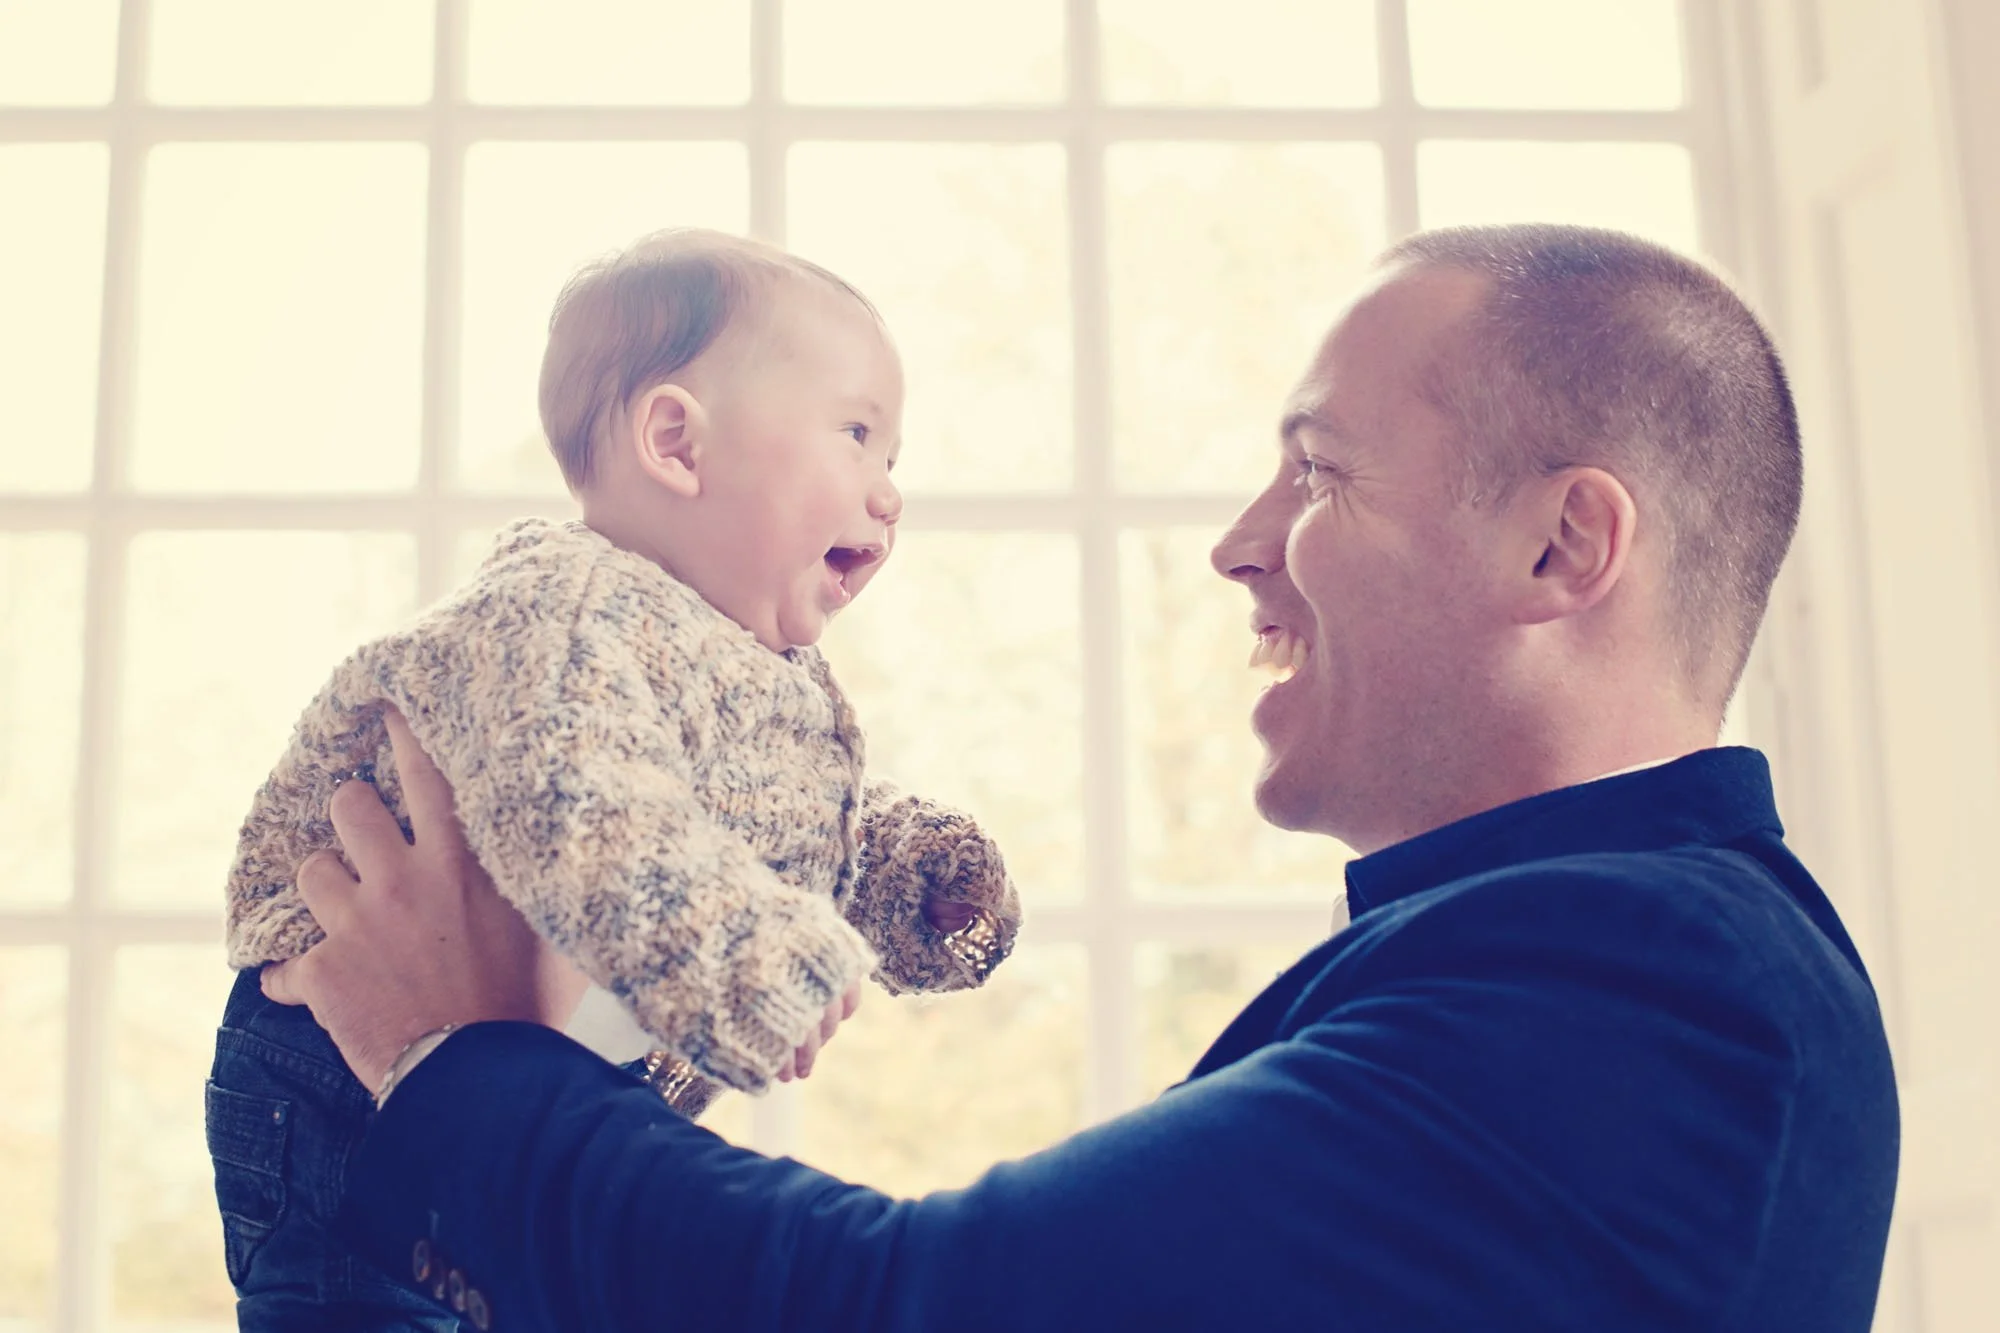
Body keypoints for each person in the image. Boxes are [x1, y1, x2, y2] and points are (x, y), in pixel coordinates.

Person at [264, 224, 1900, 1332]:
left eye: (1317, 473)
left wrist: (457, 1056)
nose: (1238, 544)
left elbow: (920, 1313)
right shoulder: (1580, 963)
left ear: (1563, 543)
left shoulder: (1663, 984)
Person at [210, 230, 1023, 1331]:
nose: (887, 496)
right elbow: (587, 807)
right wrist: (749, 954)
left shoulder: (728, 664)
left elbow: (761, 820)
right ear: (678, 442)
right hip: (332, 1078)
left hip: (508, 1081)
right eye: (856, 436)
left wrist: (906, 879)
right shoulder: (560, 614)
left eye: (892, 457)